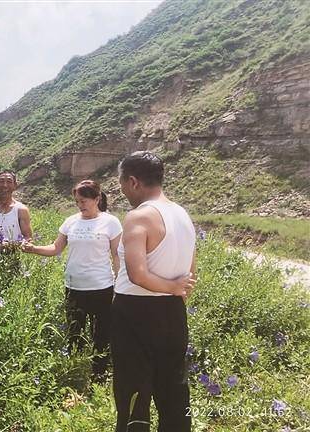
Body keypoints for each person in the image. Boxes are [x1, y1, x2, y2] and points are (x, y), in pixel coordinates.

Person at [111, 151, 197, 432]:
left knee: (133, 387)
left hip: (135, 311)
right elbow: (190, 270)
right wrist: (175, 291)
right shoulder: (182, 214)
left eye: (122, 183)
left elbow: (137, 274)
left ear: (133, 181)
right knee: (173, 385)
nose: (122, 190)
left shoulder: (139, 216)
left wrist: (171, 287)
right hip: (172, 311)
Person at [22, 179, 121, 380]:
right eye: (77, 201)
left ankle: (98, 375)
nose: (80, 205)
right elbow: (56, 248)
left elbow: (117, 255)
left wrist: (120, 284)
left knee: (100, 334)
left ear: (97, 198)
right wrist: (33, 249)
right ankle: (75, 372)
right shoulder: (71, 221)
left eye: (84, 200)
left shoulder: (110, 222)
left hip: (101, 287)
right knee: (74, 332)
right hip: (74, 287)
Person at [0, 170, 33, 274]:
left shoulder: (21, 210)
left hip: (13, 261)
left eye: (9, 181)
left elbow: (28, 238)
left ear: (15, 186)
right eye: (1, 181)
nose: (5, 185)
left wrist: (12, 245)